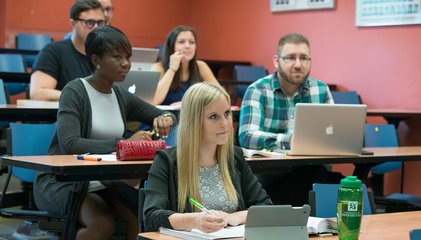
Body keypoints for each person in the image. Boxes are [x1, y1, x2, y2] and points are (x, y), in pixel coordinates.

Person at [33, 26, 176, 240]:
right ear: (96, 60)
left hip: (106, 179)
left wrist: (166, 117)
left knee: (139, 222)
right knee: (102, 223)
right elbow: (70, 144)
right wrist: (125, 144)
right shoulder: (75, 91)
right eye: (117, 57)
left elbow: (167, 114)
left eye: (127, 57)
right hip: (65, 182)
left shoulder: (119, 94)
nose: (126, 63)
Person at [143, 82, 272, 232]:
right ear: (194, 122)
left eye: (227, 114)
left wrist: (235, 217)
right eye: (213, 117)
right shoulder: (166, 161)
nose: (225, 124)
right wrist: (194, 221)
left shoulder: (234, 157)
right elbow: (151, 217)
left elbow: (266, 207)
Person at [238, 32, 343, 206]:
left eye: (304, 58)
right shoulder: (258, 90)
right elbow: (247, 136)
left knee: (347, 192)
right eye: (290, 58)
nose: (298, 64)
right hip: (271, 173)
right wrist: (291, 141)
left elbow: (332, 134)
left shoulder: (320, 89)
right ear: (276, 61)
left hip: (311, 169)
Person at [30, 0, 105, 101]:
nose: (96, 28)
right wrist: (82, 97)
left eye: (100, 23)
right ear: (73, 23)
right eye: (89, 22)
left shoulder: (107, 54)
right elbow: (38, 93)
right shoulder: (53, 52)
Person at [151, 25, 220, 106]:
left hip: (193, 117)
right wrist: (172, 69)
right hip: (166, 117)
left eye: (191, 42)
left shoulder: (201, 66)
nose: (187, 46)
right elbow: (153, 101)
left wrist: (188, 104)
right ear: (171, 46)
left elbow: (221, 97)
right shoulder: (158, 67)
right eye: (181, 42)